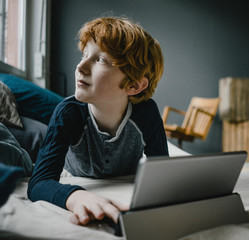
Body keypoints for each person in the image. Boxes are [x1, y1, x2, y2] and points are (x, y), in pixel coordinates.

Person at [27, 17, 168, 226]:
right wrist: (77, 197)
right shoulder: (68, 112)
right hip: (74, 173)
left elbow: (162, 172)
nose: (81, 67)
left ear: (135, 85)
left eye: (101, 59)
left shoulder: (145, 113)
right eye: (84, 55)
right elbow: (39, 182)